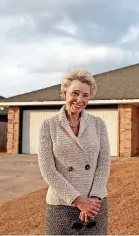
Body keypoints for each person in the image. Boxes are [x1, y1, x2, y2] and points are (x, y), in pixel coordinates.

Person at [38, 69, 111, 235]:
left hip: (94, 205)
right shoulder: (48, 126)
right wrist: (78, 200)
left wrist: (93, 199)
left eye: (85, 95)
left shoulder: (98, 124)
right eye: (75, 93)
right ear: (64, 94)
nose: (80, 100)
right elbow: (48, 170)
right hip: (61, 204)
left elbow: (104, 163)